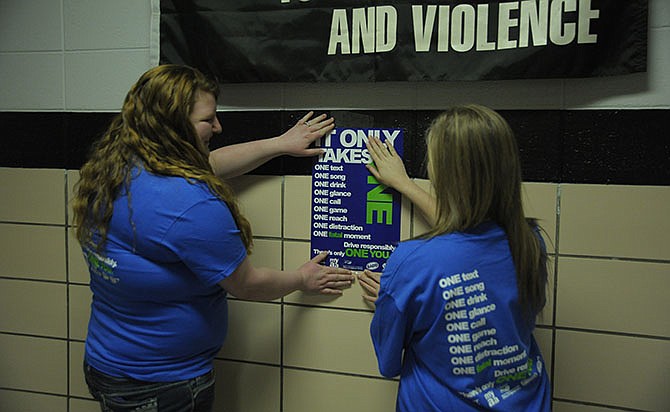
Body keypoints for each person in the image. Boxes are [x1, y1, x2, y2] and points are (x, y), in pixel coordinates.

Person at [72, 64, 354, 412]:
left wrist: (280, 144)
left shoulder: (114, 169)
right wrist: (301, 278)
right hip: (162, 386)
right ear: (173, 125)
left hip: (107, 364)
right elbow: (246, 284)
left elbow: (208, 163)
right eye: (209, 119)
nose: (218, 127)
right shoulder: (190, 203)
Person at [358, 104, 551, 411]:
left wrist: (395, 295)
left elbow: (388, 362)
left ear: (446, 175)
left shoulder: (411, 264)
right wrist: (404, 184)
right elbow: (473, 233)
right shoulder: (530, 243)